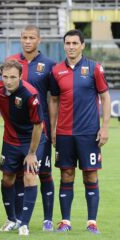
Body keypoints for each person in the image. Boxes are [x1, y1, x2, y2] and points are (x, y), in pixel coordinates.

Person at [50, 29, 110, 234]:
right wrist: (53, 128)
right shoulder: (56, 70)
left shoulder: (95, 68)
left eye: (75, 43)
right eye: (68, 43)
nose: (71, 47)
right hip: (65, 133)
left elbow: (105, 97)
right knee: (66, 174)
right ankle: (65, 221)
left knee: (90, 175)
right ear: (64, 45)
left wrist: (105, 127)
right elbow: (54, 100)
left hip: (89, 133)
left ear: (82, 45)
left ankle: (91, 222)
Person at [5, 25, 56, 231]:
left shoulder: (49, 64)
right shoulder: (12, 62)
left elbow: (53, 99)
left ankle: (48, 219)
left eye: (32, 37)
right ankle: (17, 219)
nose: (27, 41)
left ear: (39, 40)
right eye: (24, 37)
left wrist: (52, 128)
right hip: (16, 131)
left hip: (39, 130)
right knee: (18, 175)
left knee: (43, 173)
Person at [0, 60, 45, 236]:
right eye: (5, 76)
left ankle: (24, 224)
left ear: (20, 76)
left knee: (29, 177)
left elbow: (38, 125)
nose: (8, 81)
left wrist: (32, 153)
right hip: (10, 140)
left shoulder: (30, 94)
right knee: (7, 179)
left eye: (13, 77)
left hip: (32, 141)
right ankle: (12, 219)